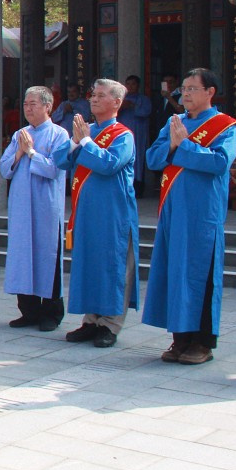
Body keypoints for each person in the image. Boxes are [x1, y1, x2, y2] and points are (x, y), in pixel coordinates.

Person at [144, 68, 236, 366]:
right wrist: (173, 144)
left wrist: (182, 146)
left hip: (202, 214)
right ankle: (179, 339)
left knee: (200, 274)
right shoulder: (176, 122)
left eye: (191, 89)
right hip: (173, 210)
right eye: (182, 89)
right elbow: (152, 158)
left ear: (210, 92)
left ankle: (202, 342)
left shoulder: (226, 126)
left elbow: (219, 163)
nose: (184, 94)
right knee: (175, 273)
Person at [53, 79, 140, 348]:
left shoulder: (123, 135)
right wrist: (76, 141)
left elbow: (109, 164)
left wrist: (86, 141)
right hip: (87, 212)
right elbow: (60, 160)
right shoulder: (86, 132)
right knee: (89, 262)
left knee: (114, 266)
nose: (93, 99)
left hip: (114, 213)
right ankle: (91, 320)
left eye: (101, 96)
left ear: (117, 102)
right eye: (93, 95)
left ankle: (110, 324)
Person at [2, 86, 70, 331]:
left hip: (45, 205)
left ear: (48, 106)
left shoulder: (59, 134)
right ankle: (28, 310)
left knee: (46, 255)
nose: (28, 108)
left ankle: (51, 313)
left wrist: (30, 152)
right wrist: (19, 152)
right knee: (23, 256)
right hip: (21, 205)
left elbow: (54, 169)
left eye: (33, 104)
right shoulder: (20, 133)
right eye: (26, 104)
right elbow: (4, 167)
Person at [118, 74, 153, 197]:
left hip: (138, 134)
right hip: (122, 134)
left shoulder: (143, 99)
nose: (130, 86)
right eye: (128, 84)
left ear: (138, 86)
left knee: (138, 158)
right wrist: (122, 107)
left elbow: (146, 112)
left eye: (133, 84)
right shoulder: (120, 99)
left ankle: (138, 187)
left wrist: (133, 106)